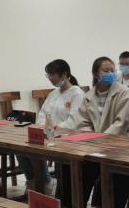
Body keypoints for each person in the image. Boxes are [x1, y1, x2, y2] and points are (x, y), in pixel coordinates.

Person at [62, 57, 129, 208]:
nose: (111, 73)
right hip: (93, 146)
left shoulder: (123, 93)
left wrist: (101, 140)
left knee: (117, 171)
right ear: (96, 74)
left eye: (112, 70)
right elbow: (83, 121)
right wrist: (92, 139)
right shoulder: (89, 95)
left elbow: (121, 123)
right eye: (106, 70)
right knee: (72, 165)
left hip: (117, 147)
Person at [18, 59, 85, 196]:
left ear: (64, 74)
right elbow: (43, 113)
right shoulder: (53, 93)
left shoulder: (77, 94)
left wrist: (54, 129)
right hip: (49, 134)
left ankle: (46, 181)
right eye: (48, 75)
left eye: (52, 75)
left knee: (35, 150)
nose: (50, 78)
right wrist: (42, 128)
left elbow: (73, 122)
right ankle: (33, 181)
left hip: (66, 136)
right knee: (21, 149)